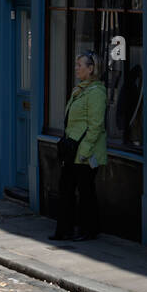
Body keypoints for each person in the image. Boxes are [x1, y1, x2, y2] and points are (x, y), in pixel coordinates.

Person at [51, 51, 107, 242]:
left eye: (79, 65)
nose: (76, 68)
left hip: (85, 153)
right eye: (76, 65)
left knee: (85, 192)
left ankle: (89, 230)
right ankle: (64, 230)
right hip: (71, 150)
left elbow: (95, 126)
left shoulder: (97, 92)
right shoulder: (80, 90)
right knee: (66, 190)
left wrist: (83, 153)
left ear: (91, 69)